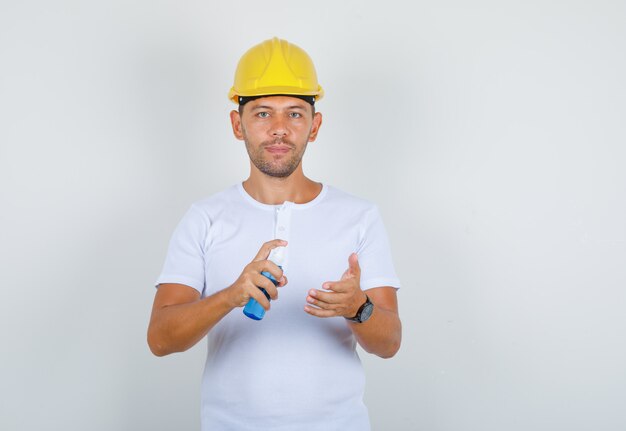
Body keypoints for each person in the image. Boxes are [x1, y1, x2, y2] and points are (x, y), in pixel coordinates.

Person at [147, 37, 402, 431]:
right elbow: (161, 339)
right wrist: (230, 296)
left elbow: (389, 343)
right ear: (238, 124)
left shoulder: (360, 217)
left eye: (295, 114)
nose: (280, 129)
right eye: (263, 113)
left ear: (314, 126)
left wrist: (358, 306)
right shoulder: (204, 218)